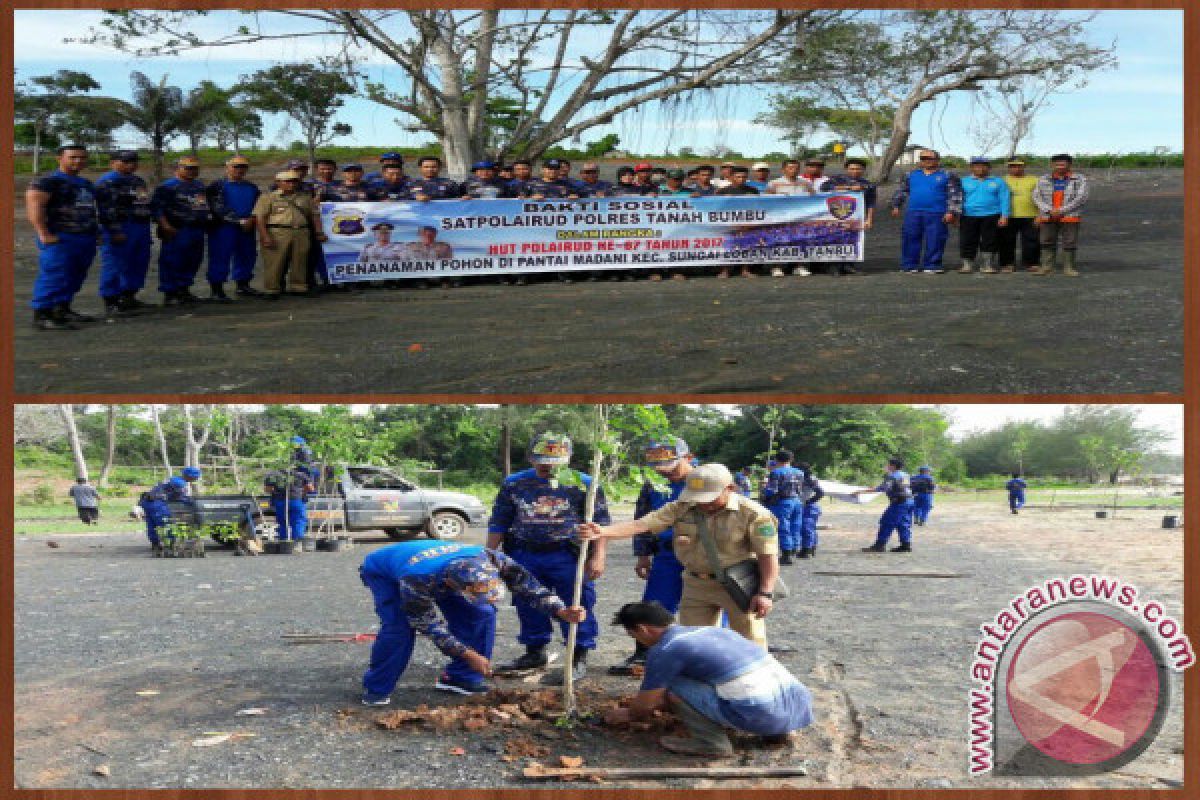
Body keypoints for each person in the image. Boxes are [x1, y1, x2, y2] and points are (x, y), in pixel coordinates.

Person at [578, 463, 780, 649]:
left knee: (749, 642)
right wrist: (603, 532)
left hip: (737, 585)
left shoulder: (754, 514)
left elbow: (767, 555)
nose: (704, 504)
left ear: (730, 488)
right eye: (698, 498)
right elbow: (642, 524)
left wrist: (765, 593)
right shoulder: (682, 507)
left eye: (710, 498)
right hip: (695, 584)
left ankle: (756, 687)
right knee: (695, 642)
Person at [359, 541, 587, 703]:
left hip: (439, 567)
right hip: (385, 571)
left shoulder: (494, 559)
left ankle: (461, 678)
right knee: (399, 628)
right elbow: (428, 625)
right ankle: (377, 688)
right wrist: (468, 654)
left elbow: (529, 587)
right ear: (453, 584)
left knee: (483, 612)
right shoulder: (416, 579)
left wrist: (561, 611)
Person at [604, 602, 814, 756]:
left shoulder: (667, 649)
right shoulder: (713, 631)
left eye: (634, 636)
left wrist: (628, 713)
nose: (639, 641)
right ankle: (779, 732)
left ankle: (711, 743)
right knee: (732, 680)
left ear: (642, 629)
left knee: (672, 684)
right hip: (797, 707)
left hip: (761, 714)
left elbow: (645, 706)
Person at [487, 433, 610, 681]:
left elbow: (600, 523)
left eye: (555, 461)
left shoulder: (585, 483)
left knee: (576, 603)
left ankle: (577, 655)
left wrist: (598, 555)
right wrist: (489, 557)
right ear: (531, 457)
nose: (547, 466)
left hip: (568, 554)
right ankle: (535, 652)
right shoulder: (515, 483)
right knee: (527, 602)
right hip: (524, 552)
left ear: (568, 458)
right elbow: (500, 520)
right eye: (541, 460)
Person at [610, 437, 697, 675]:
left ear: (688, 457)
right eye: (658, 469)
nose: (664, 473)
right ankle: (645, 655)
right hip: (666, 555)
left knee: (706, 607)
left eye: (671, 467)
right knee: (654, 605)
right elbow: (643, 518)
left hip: (702, 556)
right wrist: (642, 554)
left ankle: (701, 659)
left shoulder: (705, 480)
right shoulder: (653, 483)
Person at [26, 144, 100, 330]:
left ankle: (62, 309)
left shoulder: (85, 184)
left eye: (82, 157)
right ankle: (43, 315)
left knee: (75, 275)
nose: (78, 161)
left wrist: (95, 232)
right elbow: (36, 207)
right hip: (60, 237)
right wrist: (43, 233)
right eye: (73, 157)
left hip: (84, 237)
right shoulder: (48, 181)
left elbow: (89, 210)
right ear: (60, 158)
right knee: (55, 275)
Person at [94, 150, 154, 318]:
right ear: (113, 162)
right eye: (126, 161)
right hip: (120, 225)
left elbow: (143, 203)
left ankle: (128, 297)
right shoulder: (107, 181)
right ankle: (111, 301)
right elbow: (106, 210)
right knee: (115, 264)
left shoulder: (137, 180)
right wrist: (114, 230)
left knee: (138, 263)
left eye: (134, 161)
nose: (131, 164)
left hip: (140, 226)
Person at [252, 170, 326, 298]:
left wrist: (318, 232)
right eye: (288, 181)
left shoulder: (305, 197)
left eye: (294, 181)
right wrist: (264, 236)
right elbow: (260, 218)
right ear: (278, 182)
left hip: (301, 231)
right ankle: (272, 289)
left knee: (300, 261)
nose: (291, 184)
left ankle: (299, 287)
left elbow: (314, 216)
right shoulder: (268, 197)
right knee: (275, 262)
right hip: (278, 231)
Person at [151, 155, 212, 306]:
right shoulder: (167, 186)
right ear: (178, 168)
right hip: (177, 229)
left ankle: (184, 290)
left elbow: (202, 205)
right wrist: (164, 225)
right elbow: (157, 209)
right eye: (188, 168)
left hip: (196, 229)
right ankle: (170, 293)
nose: (192, 171)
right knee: (172, 261)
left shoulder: (198, 186)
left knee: (193, 260)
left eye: (195, 168)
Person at [889, 149, 962, 274]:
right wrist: (896, 206)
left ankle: (932, 265)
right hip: (913, 212)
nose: (927, 161)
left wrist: (951, 212)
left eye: (930, 158)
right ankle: (910, 265)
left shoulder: (947, 175)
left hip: (937, 212)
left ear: (937, 160)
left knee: (936, 239)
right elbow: (902, 191)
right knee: (910, 238)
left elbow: (955, 194)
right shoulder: (910, 175)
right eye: (923, 158)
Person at [204, 155, 262, 301]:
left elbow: (258, 205)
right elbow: (217, 207)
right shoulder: (217, 186)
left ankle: (243, 285)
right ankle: (217, 290)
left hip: (247, 227)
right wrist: (240, 221)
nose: (239, 169)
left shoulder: (251, 187)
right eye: (236, 166)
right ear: (227, 167)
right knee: (220, 256)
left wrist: (252, 218)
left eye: (243, 166)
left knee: (247, 255)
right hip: (223, 227)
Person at [1032, 154, 1089, 277]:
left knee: (1070, 241)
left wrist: (1061, 210)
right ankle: (1047, 267)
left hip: (1070, 215)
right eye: (1057, 164)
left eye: (1063, 164)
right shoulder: (1043, 179)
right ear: (1052, 165)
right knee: (1046, 241)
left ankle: (1069, 268)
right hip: (1048, 216)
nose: (1060, 167)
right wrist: (1048, 210)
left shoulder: (1079, 179)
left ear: (1069, 165)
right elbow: (1036, 196)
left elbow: (1081, 198)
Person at [957, 157, 1011, 275]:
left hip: (991, 215)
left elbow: (1004, 199)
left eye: (983, 165)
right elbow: (957, 199)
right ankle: (967, 265)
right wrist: (956, 215)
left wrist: (1004, 216)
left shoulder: (998, 181)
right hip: (968, 215)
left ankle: (987, 265)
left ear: (989, 167)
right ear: (971, 167)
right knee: (968, 240)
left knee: (990, 240)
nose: (980, 168)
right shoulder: (963, 181)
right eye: (976, 165)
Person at [824, 157, 877, 276]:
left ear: (863, 170)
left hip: (856, 216)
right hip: (835, 215)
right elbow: (824, 188)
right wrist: (848, 188)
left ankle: (849, 265)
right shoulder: (836, 179)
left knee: (853, 240)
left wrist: (869, 219)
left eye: (858, 169)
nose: (855, 171)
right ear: (846, 169)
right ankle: (833, 267)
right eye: (852, 168)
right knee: (834, 240)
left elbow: (871, 203)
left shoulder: (868, 185)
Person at [857, 458, 915, 553]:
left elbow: (883, 488)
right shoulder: (905, 475)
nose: (886, 466)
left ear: (893, 466)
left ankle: (879, 545)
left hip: (899, 503)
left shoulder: (892, 477)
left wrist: (861, 491)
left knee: (887, 522)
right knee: (903, 524)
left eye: (888, 465)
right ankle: (906, 545)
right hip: (909, 501)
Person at [716, 167, 760, 279]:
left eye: (744, 177)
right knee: (727, 246)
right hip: (728, 223)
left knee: (747, 245)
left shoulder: (753, 190)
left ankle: (745, 270)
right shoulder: (722, 191)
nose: (741, 179)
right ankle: (725, 270)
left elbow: (757, 207)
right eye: (738, 177)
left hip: (747, 222)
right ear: (731, 177)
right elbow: (716, 208)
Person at [998, 159, 1040, 273]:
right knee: (1006, 241)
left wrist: (1040, 215)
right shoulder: (1002, 180)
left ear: (1024, 166)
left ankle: (1031, 263)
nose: (1016, 168)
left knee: (1032, 241)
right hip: (1008, 216)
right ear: (1008, 167)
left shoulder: (1035, 180)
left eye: (1019, 166)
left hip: (1031, 215)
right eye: (1013, 166)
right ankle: (1007, 264)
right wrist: (1001, 215)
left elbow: (1042, 197)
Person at [762, 450, 804, 565]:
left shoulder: (776, 472)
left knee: (783, 527)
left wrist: (764, 490)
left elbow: (772, 490)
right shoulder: (800, 472)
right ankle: (795, 548)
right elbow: (800, 489)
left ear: (776, 460)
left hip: (783, 502)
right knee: (796, 525)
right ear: (791, 460)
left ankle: (786, 554)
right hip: (797, 501)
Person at [138, 473, 196, 555]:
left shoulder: (172, 479)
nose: (195, 480)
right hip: (156, 503)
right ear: (191, 477)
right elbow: (178, 497)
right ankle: (170, 545)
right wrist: (190, 501)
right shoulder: (180, 483)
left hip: (146, 501)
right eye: (195, 478)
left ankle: (155, 544)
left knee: (152, 525)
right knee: (166, 523)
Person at [264, 464, 314, 543]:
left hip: (280, 501)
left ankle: (284, 542)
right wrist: (301, 491)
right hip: (296, 501)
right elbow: (311, 488)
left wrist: (277, 490)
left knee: (283, 522)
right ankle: (297, 543)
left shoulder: (273, 475)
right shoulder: (300, 475)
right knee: (298, 521)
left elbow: (267, 489)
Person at [794, 461, 824, 559]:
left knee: (807, 528)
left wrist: (809, 501)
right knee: (810, 529)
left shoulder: (809, 479)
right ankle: (810, 548)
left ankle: (807, 550)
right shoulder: (806, 478)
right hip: (808, 505)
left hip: (809, 506)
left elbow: (820, 493)